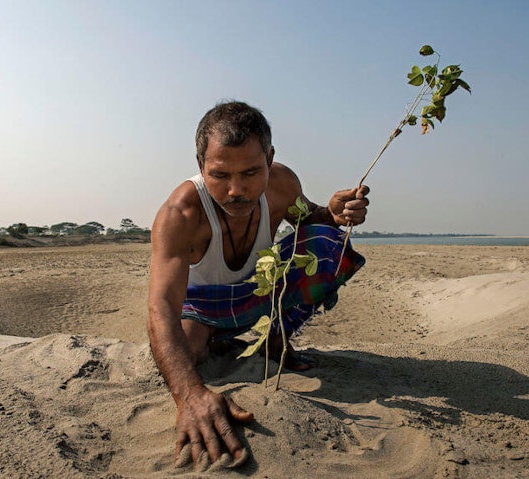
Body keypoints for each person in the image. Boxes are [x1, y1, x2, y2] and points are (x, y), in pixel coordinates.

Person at [147, 101, 370, 470]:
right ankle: (218, 339)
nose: (236, 190)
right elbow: (161, 308)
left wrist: (331, 213)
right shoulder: (180, 214)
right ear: (201, 163)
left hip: (260, 291)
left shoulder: (282, 183)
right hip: (201, 305)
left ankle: (274, 338)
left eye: (251, 172)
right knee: (188, 354)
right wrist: (189, 395)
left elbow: (307, 217)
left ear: (269, 158)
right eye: (220, 175)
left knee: (328, 242)